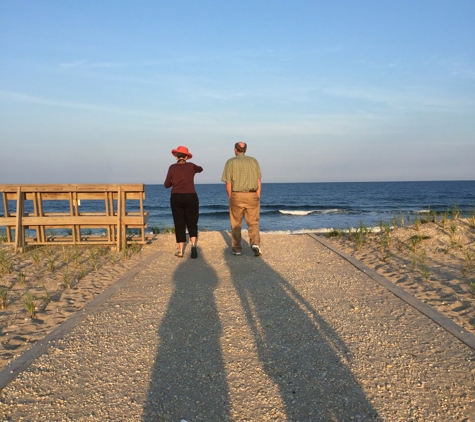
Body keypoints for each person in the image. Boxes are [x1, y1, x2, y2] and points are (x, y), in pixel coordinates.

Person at [221, 142, 262, 256]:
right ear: (246, 149)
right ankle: (255, 243)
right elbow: (258, 180)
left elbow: (228, 183)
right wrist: (258, 194)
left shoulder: (230, 162)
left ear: (235, 149)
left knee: (236, 223)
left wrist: (230, 196)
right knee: (253, 221)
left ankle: (237, 249)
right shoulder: (253, 161)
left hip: (237, 195)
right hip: (252, 194)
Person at [164, 146, 203, 258]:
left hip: (176, 197)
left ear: (176, 156)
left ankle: (181, 250)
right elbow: (200, 169)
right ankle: (194, 245)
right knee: (192, 221)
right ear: (186, 156)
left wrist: (175, 183)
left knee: (179, 222)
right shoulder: (191, 166)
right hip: (191, 196)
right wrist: (194, 169)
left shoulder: (172, 167)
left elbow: (166, 184)